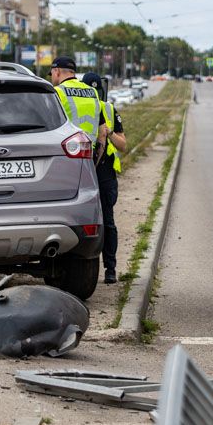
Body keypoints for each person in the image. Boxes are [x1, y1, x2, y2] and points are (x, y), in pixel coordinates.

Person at [83, 72, 126, 284]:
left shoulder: (109, 109)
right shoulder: (77, 107)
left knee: (107, 222)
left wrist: (109, 133)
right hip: (83, 167)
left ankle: (110, 268)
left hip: (104, 172)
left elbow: (123, 145)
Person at [50, 57, 103, 143]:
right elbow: (102, 132)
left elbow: (50, 125)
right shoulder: (93, 91)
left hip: (69, 150)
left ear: (57, 71)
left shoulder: (57, 91)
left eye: (51, 73)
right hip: (90, 151)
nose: (51, 77)